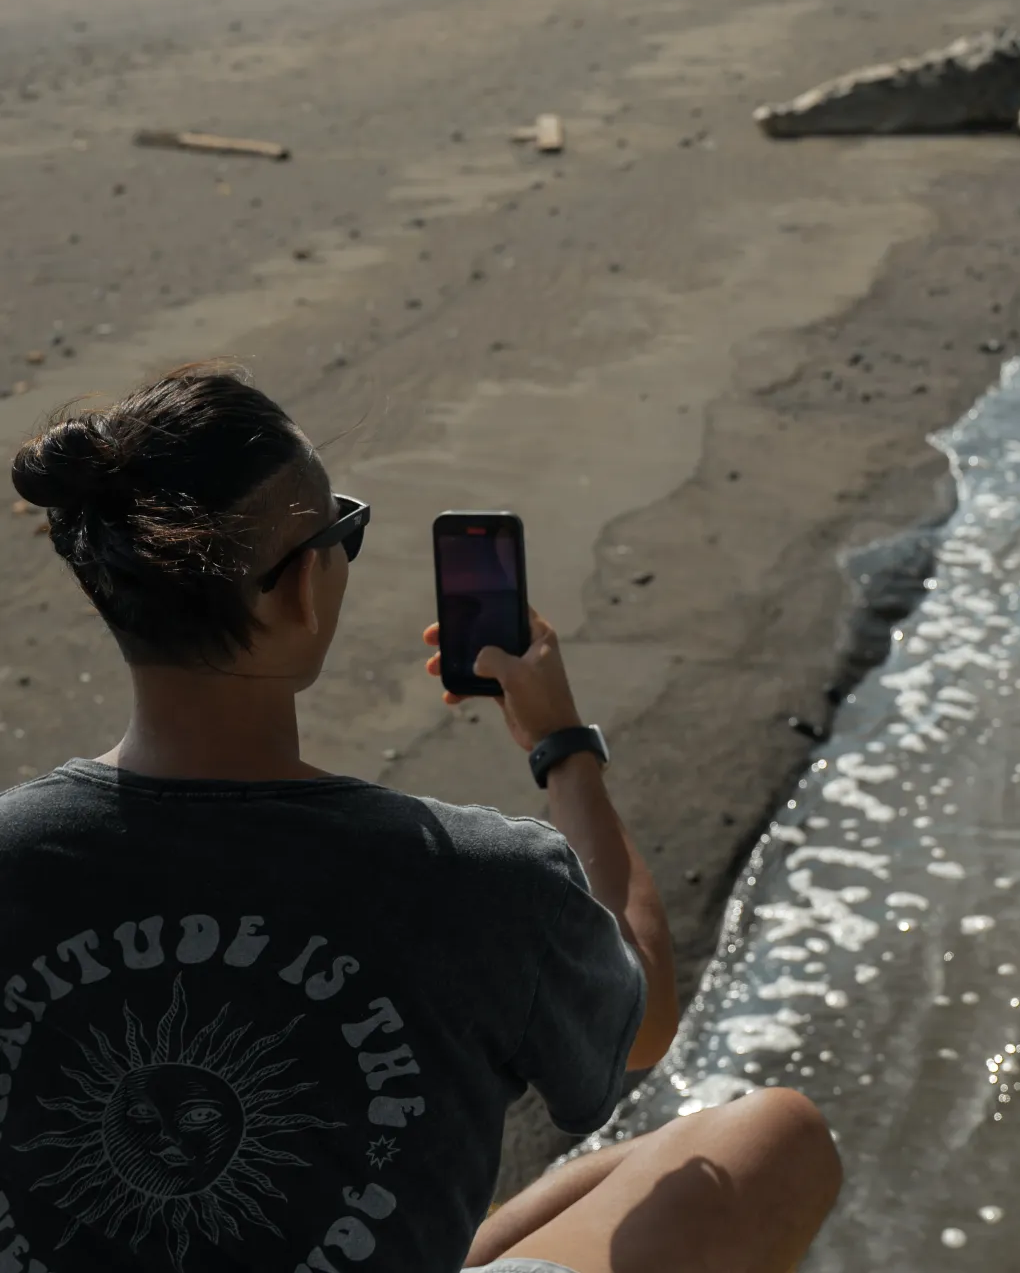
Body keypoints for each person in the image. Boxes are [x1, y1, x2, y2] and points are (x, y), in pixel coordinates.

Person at [1, 364, 842, 1273]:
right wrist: (564, 747)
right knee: (773, 1134)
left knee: (594, 1179)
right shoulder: (476, 877)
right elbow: (644, 1018)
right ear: (298, 591)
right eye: (342, 531)